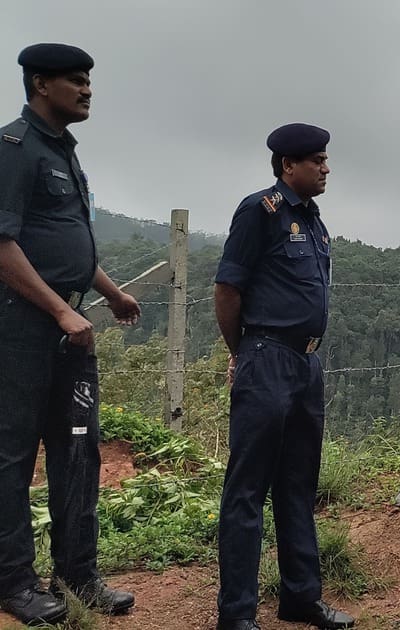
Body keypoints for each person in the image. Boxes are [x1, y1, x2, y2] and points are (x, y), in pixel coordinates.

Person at [0, 42, 138, 626]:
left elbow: (65, 239)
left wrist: (110, 291)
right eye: (75, 81)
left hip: (70, 332)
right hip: (21, 330)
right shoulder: (13, 148)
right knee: (12, 456)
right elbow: (3, 245)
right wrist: (60, 311)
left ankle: (77, 575)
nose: (87, 90)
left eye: (88, 81)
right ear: (40, 84)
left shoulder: (65, 152)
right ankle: (14, 582)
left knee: (79, 449)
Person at [213, 123, 352, 629]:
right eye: (317, 160)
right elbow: (227, 289)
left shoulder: (314, 222)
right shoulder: (260, 211)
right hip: (266, 356)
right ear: (288, 165)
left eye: (325, 159)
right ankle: (237, 614)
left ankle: (300, 597)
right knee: (248, 488)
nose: (326, 168)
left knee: (298, 484)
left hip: (305, 364)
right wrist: (244, 353)